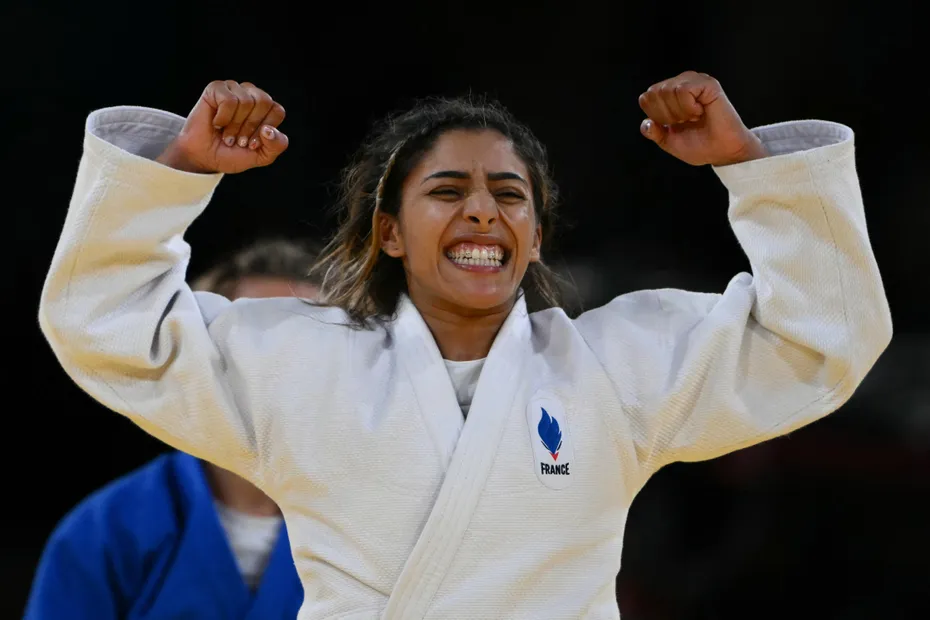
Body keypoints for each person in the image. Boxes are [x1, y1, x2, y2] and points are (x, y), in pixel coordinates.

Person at [38, 72, 892, 619]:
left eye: (509, 195)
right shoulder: (300, 364)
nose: (483, 211)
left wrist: (751, 168)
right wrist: (180, 169)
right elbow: (105, 322)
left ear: (535, 234)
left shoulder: (614, 368)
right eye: (447, 190)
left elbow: (824, 338)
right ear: (391, 233)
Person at [27, 239, 320, 619]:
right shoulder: (106, 531)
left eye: (308, 344)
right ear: (199, 360)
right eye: (252, 343)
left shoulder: (373, 528)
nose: (281, 367)